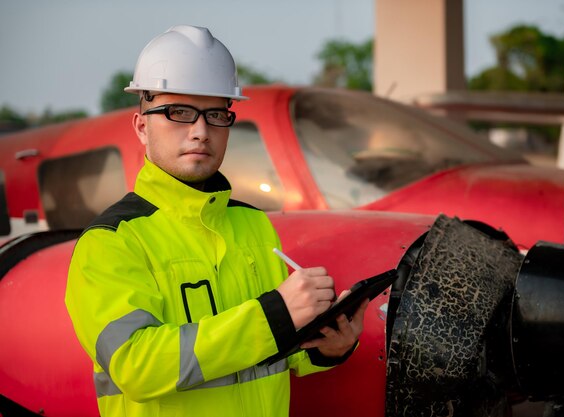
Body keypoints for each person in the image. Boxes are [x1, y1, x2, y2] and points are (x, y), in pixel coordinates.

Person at [65, 25, 367, 417]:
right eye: (179, 112)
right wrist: (274, 313)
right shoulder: (110, 242)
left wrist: (328, 348)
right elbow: (137, 366)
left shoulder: (255, 225)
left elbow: (277, 355)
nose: (201, 131)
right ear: (141, 126)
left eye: (215, 114)